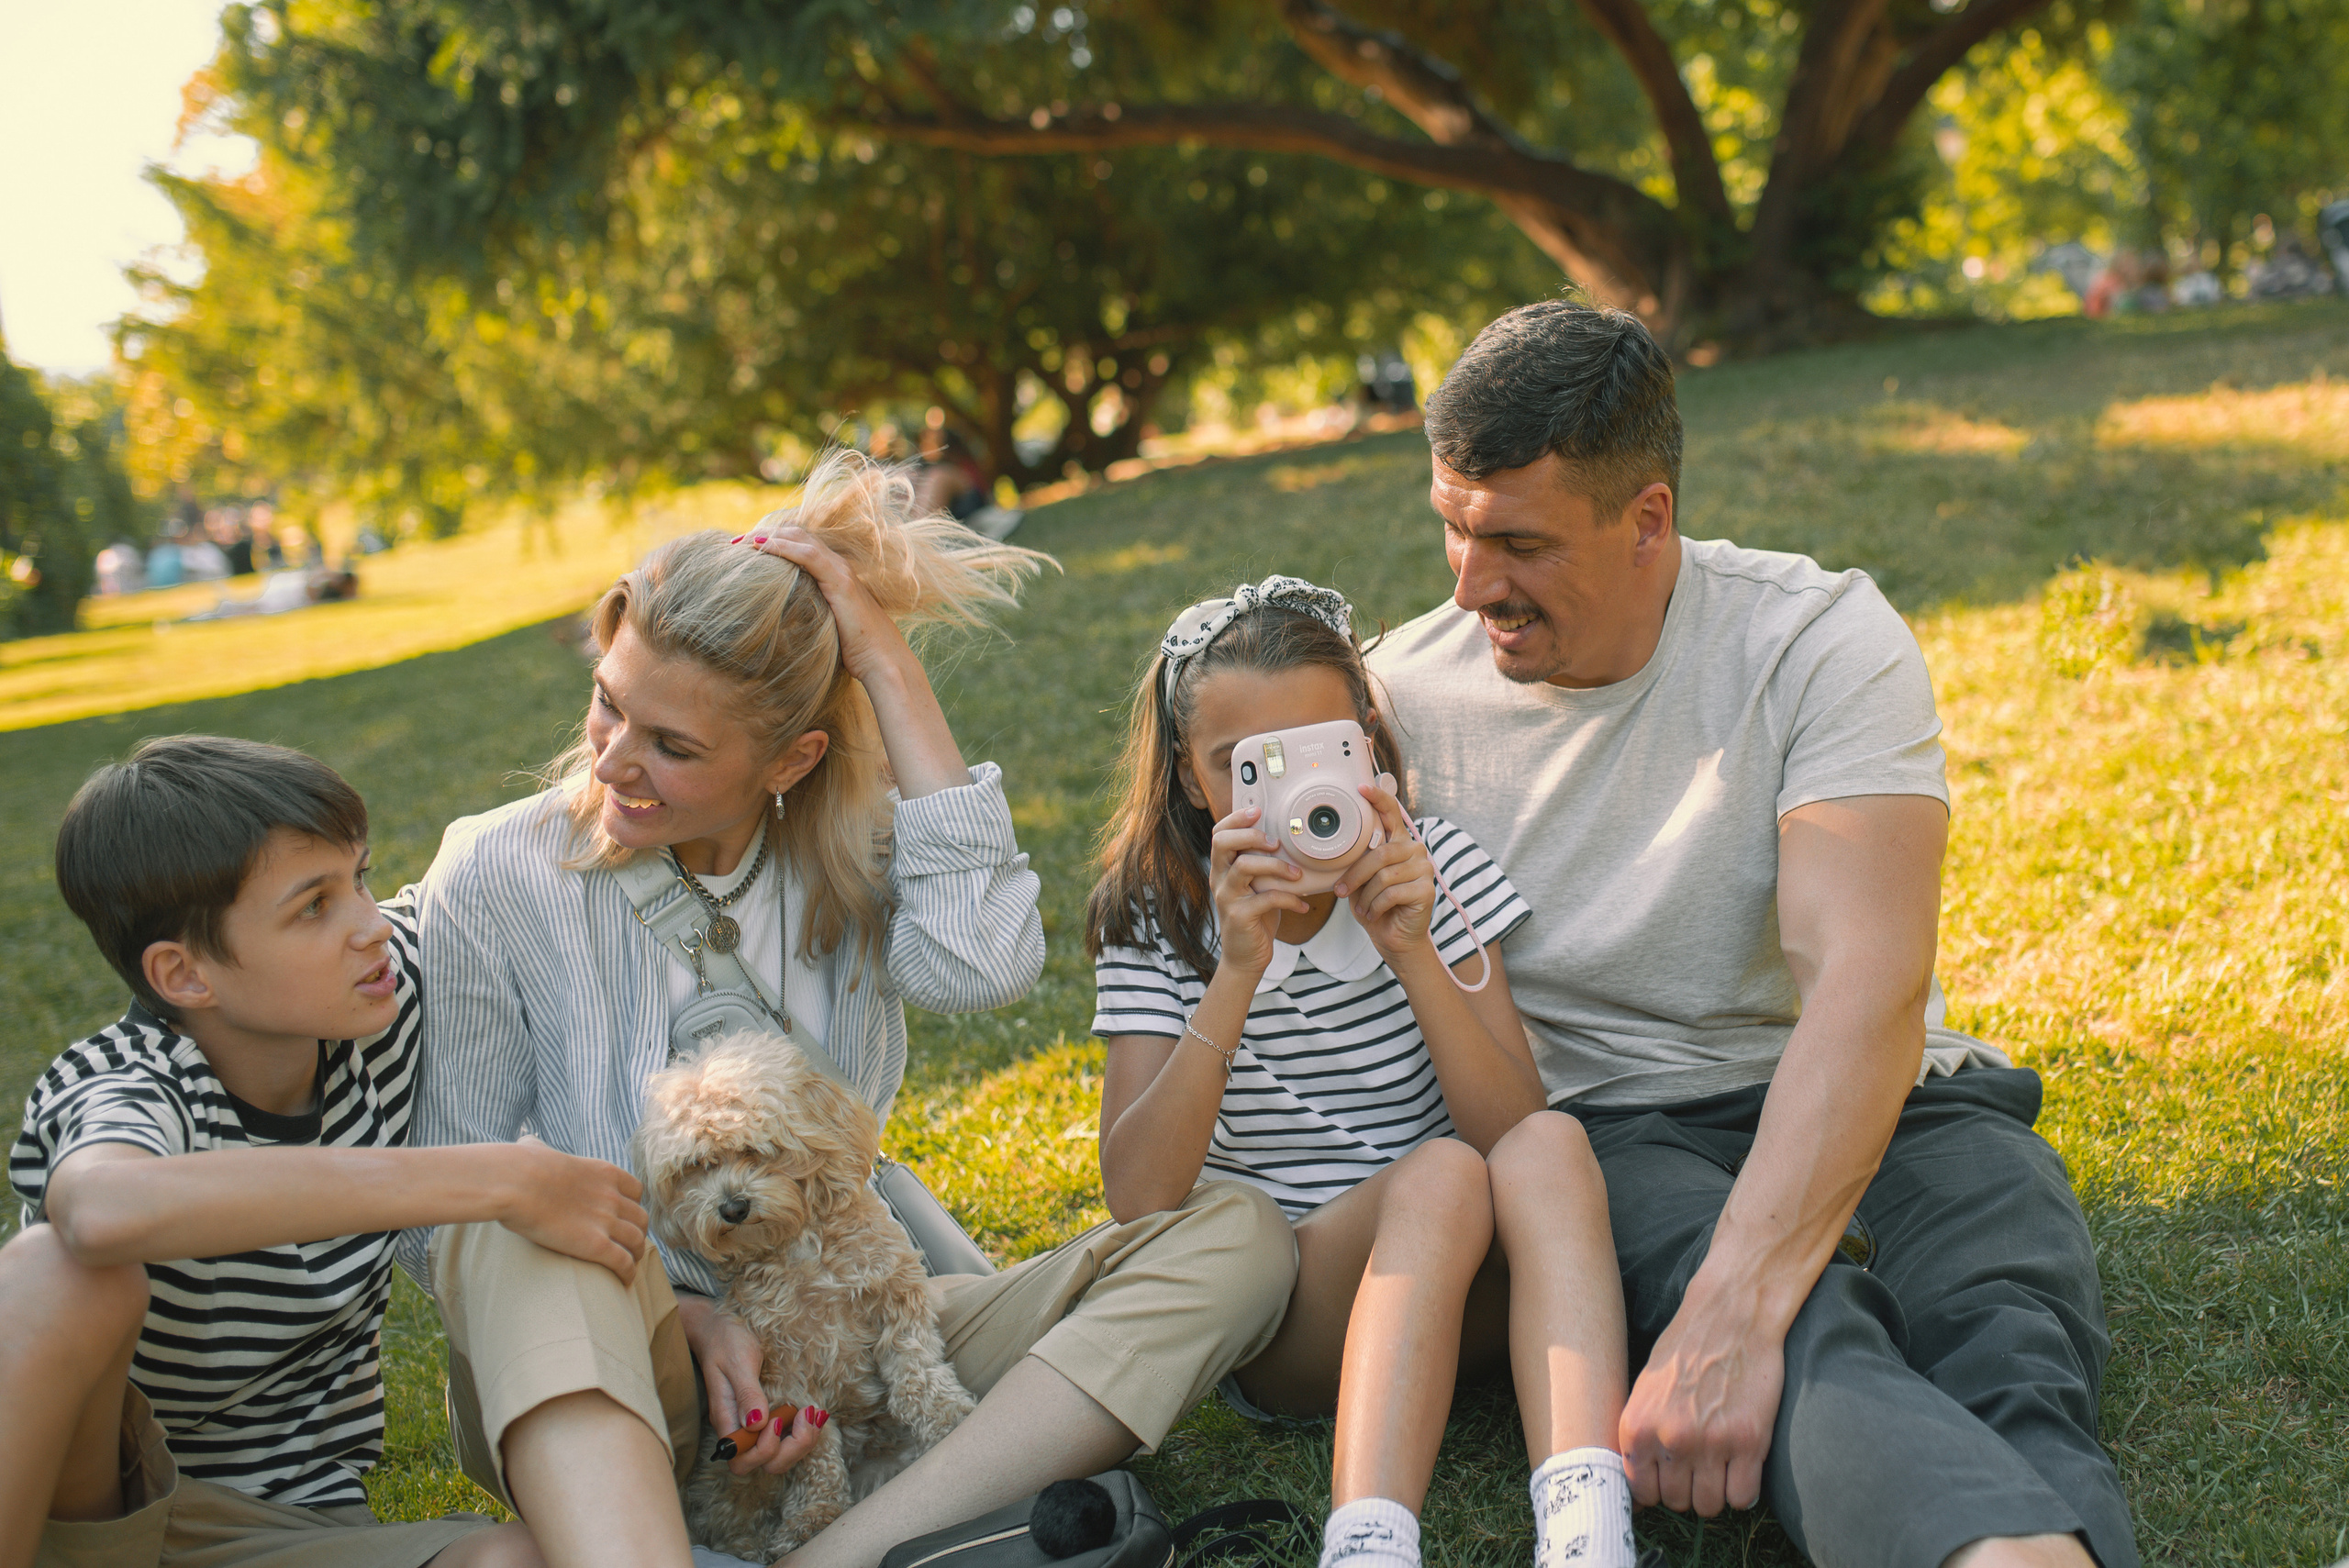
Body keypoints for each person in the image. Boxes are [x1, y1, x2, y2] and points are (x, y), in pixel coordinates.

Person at [404, 451, 1297, 1568]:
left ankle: (841, 1548)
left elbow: (981, 966)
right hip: (618, 1366)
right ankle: (907, 1495)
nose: (614, 760)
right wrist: (671, 1311)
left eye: (673, 745)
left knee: (1239, 1238)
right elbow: (441, 1203)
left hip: (852, 1335)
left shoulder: (861, 846)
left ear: (793, 758)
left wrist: (881, 655)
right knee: (520, 1234)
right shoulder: (493, 869)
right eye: (608, 702)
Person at [1365, 300, 2136, 1568]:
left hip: (1881, 1090)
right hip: (1617, 1131)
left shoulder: (1815, 638)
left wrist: (1734, 1305)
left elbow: (1867, 980)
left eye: (1517, 542)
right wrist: (1739, 1305)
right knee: (1810, 1336)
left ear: (1648, 518)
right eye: (1451, 526)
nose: (1470, 583)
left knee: (2006, 1321)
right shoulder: (1395, 698)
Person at [1086, 575, 1641, 1568]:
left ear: (1367, 744)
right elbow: (1138, 1195)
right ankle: (1369, 1542)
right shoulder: (1159, 915)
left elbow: (1511, 1126)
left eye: (1324, 753)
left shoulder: (1436, 869)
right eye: (1245, 766)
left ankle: (1588, 1529)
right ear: (1188, 777)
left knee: (1549, 1140)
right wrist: (1236, 973)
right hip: (1295, 1313)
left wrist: (1411, 948)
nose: (1299, 794)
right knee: (1438, 1173)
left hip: (1465, 1284)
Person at [2, 735, 653, 1568]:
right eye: (314, 906)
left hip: (293, 1529)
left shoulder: (382, 1007)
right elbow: (98, 1210)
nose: (370, 924)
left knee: (514, 1561)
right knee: (53, 1271)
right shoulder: (124, 1082)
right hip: (94, 1512)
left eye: (362, 878)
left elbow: (511, 857)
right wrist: (500, 1175)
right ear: (184, 974)